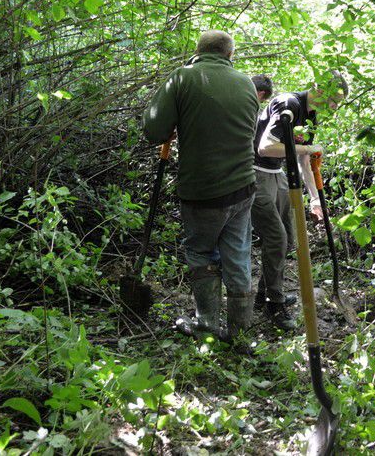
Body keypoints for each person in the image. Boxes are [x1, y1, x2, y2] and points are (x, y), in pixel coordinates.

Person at [142, 30, 259, 341]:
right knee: (238, 254)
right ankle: (239, 333)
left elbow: (154, 130)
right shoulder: (246, 82)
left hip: (202, 190)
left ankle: (206, 325)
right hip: (244, 186)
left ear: (198, 50)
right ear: (230, 55)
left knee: (202, 252)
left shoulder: (183, 77)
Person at [251, 71, 348, 330]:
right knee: (276, 238)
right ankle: (274, 304)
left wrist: (315, 199)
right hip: (255, 172)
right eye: (333, 101)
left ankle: (264, 294)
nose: (334, 108)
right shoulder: (289, 104)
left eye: (338, 104)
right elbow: (265, 147)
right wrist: (306, 149)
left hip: (276, 173)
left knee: (288, 239)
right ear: (318, 89)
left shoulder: (312, 116)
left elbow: (304, 160)